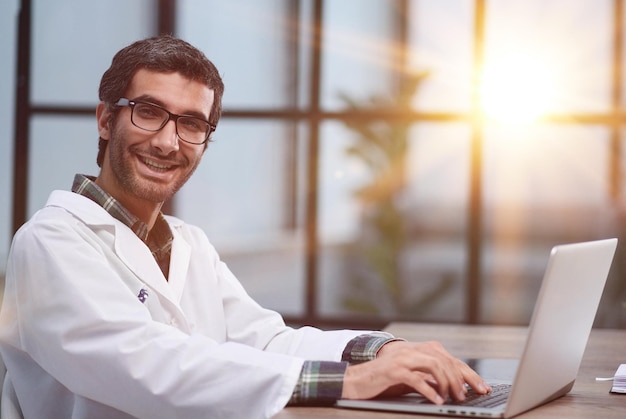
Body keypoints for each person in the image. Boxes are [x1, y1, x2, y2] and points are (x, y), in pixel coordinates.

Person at [0, 35, 490, 419]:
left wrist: (383, 350)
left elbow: (266, 340)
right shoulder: (49, 241)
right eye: (149, 113)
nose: (169, 142)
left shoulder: (189, 243)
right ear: (106, 120)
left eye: (192, 123)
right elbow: (144, 363)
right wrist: (348, 382)